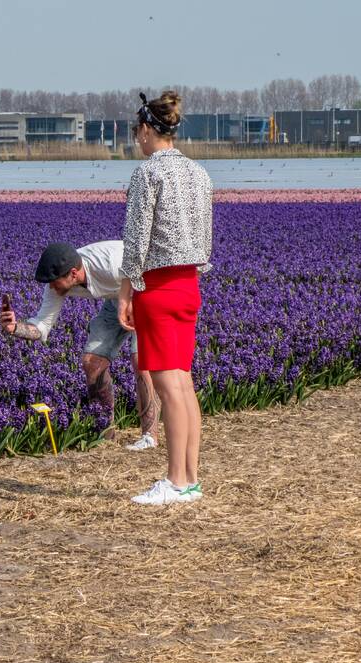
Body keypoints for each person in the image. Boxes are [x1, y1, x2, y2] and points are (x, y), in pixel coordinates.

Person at [117, 91, 213, 505]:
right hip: (189, 284)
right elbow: (205, 236)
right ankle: (190, 479)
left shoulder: (148, 173)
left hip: (156, 288)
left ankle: (174, 481)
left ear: (145, 129)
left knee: (167, 385)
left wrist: (126, 291)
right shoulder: (200, 173)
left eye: (136, 132)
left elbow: (136, 239)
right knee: (184, 383)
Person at [0, 241, 160, 450]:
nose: (51, 287)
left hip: (148, 290)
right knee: (92, 362)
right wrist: (14, 328)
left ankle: (149, 436)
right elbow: (42, 326)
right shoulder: (57, 285)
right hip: (115, 298)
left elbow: (147, 268)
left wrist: (133, 304)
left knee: (142, 360)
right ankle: (105, 434)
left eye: (54, 282)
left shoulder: (109, 262)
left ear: (73, 274)